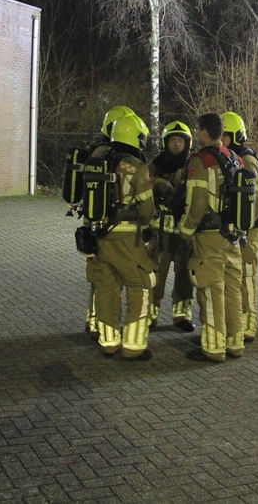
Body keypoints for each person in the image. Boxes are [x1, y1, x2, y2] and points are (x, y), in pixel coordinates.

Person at [86, 112, 157, 360]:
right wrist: (147, 225)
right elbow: (147, 209)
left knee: (106, 289)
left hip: (99, 238)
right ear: (136, 137)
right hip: (128, 240)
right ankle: (134, 345)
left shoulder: (98, 159)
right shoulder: (136, 168)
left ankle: (109, 341)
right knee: (142, 284)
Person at [179, 113, 244, 362]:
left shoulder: (201, 160)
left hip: (209, 235)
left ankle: (214, 348)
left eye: (198, 130)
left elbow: (196, 202)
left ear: (204, 132)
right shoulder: (235, 158)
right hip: (233, 236)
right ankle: (235, 344)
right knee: (232, 291)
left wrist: (186, 231)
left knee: (211, 290)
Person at [83, 105, 135, 339]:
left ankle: (94, 321)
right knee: (110, 279)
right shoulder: (117, 156)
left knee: (99, 276)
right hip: (114, 224)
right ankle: (105, 324)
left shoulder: (96, 151)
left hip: (93, 219)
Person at [221, 111, 258, 343]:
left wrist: (245, 226)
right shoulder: (230, 158)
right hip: (239, 229)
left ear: (237, 137)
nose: (222, 141)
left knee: (246, 276)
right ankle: (238, 321)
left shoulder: (247, 160)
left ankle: (249, 322)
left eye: (226, 137)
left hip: (249, 231)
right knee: (235, 276)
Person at [147, 120, 195, 332]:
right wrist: (158, 184)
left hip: (184, 234)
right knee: (155, 275)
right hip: (161, 233)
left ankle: (182, 314)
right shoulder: (155, 165)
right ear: (166, 143)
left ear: (187, 143)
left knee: (184, 276)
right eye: (173, 140)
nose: (176, 144)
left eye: (180, 140)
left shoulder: (193, 166)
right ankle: (151, 314)